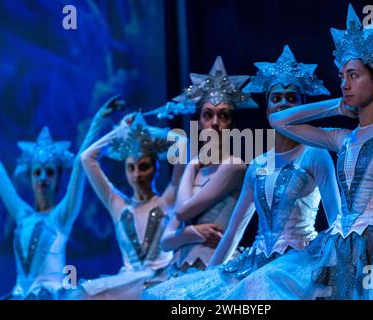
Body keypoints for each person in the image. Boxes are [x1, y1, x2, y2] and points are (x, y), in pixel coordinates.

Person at [224, 4, 373, 300]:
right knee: (263, 282)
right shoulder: (343, 139)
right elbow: (279, 120)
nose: (345, 83)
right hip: (341, 243)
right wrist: (336, 106)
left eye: (353, 75)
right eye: (341, 76)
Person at [141, 46, 341, 300]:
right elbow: (235, 229)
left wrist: (327, 268)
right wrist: (207, 282)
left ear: (303, 105)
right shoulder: (257, 165)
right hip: (255, 262)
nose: (283, 104)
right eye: (276, 98)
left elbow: (337, 220)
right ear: (267, 107)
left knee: (259, 289)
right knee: (166, 296)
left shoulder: (314, 154)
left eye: (292, 98)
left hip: (297, 265)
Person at [141, 56, 258, 290]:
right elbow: (165, 241)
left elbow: (183, 211)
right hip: (179, 270)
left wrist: (192, 165)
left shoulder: (235, 166)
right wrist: (194, 232)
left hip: (214, 268)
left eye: (223, 115)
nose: (215, 122)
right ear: (200, 122)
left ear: (231, 125)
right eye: (208, 114)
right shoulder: (194, 166)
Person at [0, 96, 120, 299]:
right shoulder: (22, 215)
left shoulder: (61, 216)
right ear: (30, 177)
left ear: (58, 178)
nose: (43, 178)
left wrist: (98, 120)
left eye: (50, 172)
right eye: (38, 172)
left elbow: (80, 164)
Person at [66, 111, 185, 300]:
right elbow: (87, 158)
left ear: (156, 169)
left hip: (162, 283)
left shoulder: (167, 201)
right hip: (128, 284)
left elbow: (182, 142)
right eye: (131, 167)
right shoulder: (118, 205)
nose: (137, 175)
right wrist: (121, 131)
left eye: (144, 167)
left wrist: (143, 130)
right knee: (82, 294)